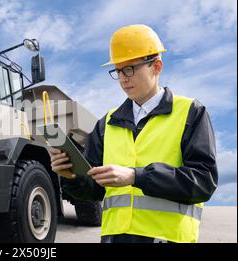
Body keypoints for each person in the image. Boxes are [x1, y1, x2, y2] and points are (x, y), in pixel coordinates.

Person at [50, 24, 218, 243]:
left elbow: (203, 182)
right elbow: (92, 192)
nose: (123, 78)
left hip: (167, 239)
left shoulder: (190, 113)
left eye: (129, 69)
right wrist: (70, 176)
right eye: (118, 71)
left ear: (156, 66)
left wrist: (136, 176)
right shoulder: (107, 123)